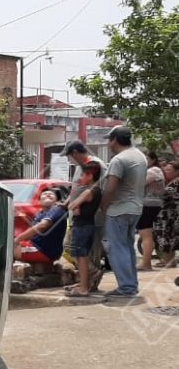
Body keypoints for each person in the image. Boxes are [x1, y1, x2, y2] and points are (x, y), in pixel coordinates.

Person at [100, 126, 147, 297]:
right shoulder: (140, 156)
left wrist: (104, 207)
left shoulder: (119, 160)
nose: (108, 144)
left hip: (118, 210)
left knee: (117, 248)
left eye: (109, 140)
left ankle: (126, 287)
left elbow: (110, 188)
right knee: (127, 248)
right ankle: (131, 285)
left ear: (115, 140)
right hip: (135, 208)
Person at [63, 141, 107, 291]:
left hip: (89, 217)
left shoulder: (94, 165)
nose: (70, 159)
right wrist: (68, 202)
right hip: (80, 215)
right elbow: (76, 189)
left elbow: (96, 189)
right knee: (77, 250)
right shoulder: (83, 167)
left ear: (75, 153)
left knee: (83, 251)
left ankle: (90, 278)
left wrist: (75, 204)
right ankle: (85, 281)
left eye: (69, 156)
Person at [65, 171, 104, 297]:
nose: (80, 178)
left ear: (90, 175)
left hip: (81, 226)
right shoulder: (97, 190)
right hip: (88, 225)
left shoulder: (89, 191)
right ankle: (84, 284)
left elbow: (71, 205)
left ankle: (83, 288)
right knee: (84, 255)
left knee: (80, 256)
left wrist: (76, 205)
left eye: (82, 175)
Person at [14, 190, 68, 269]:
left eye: (51, 194)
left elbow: (42, 225)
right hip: (35, 247)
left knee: (8, 248)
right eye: (44, 194)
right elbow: (31, 232)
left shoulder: (57, 210)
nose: (48, 195)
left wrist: (17, 239)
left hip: (44, 251)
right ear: (39, 201)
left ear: (57, 201)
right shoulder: (40, 213)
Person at [139, 152, 166, 271]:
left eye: (146, 159)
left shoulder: (153, 171)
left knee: (145, 234)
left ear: (153, 159)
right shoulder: (156, 170)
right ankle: (146, 262)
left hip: (149, 204)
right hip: (153, 204)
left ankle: (146, 263)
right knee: (147, 234)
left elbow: (139, 184)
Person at [154, 160, 179, 268]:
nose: (166, 171)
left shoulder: (175, 183)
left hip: (169, 215)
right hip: (170, 215)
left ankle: (168, 261)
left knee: (167, 237)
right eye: (165, 169)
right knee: (170, 238)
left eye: (169, 170)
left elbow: (164, 197)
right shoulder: (172, 182)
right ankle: (170, 260)